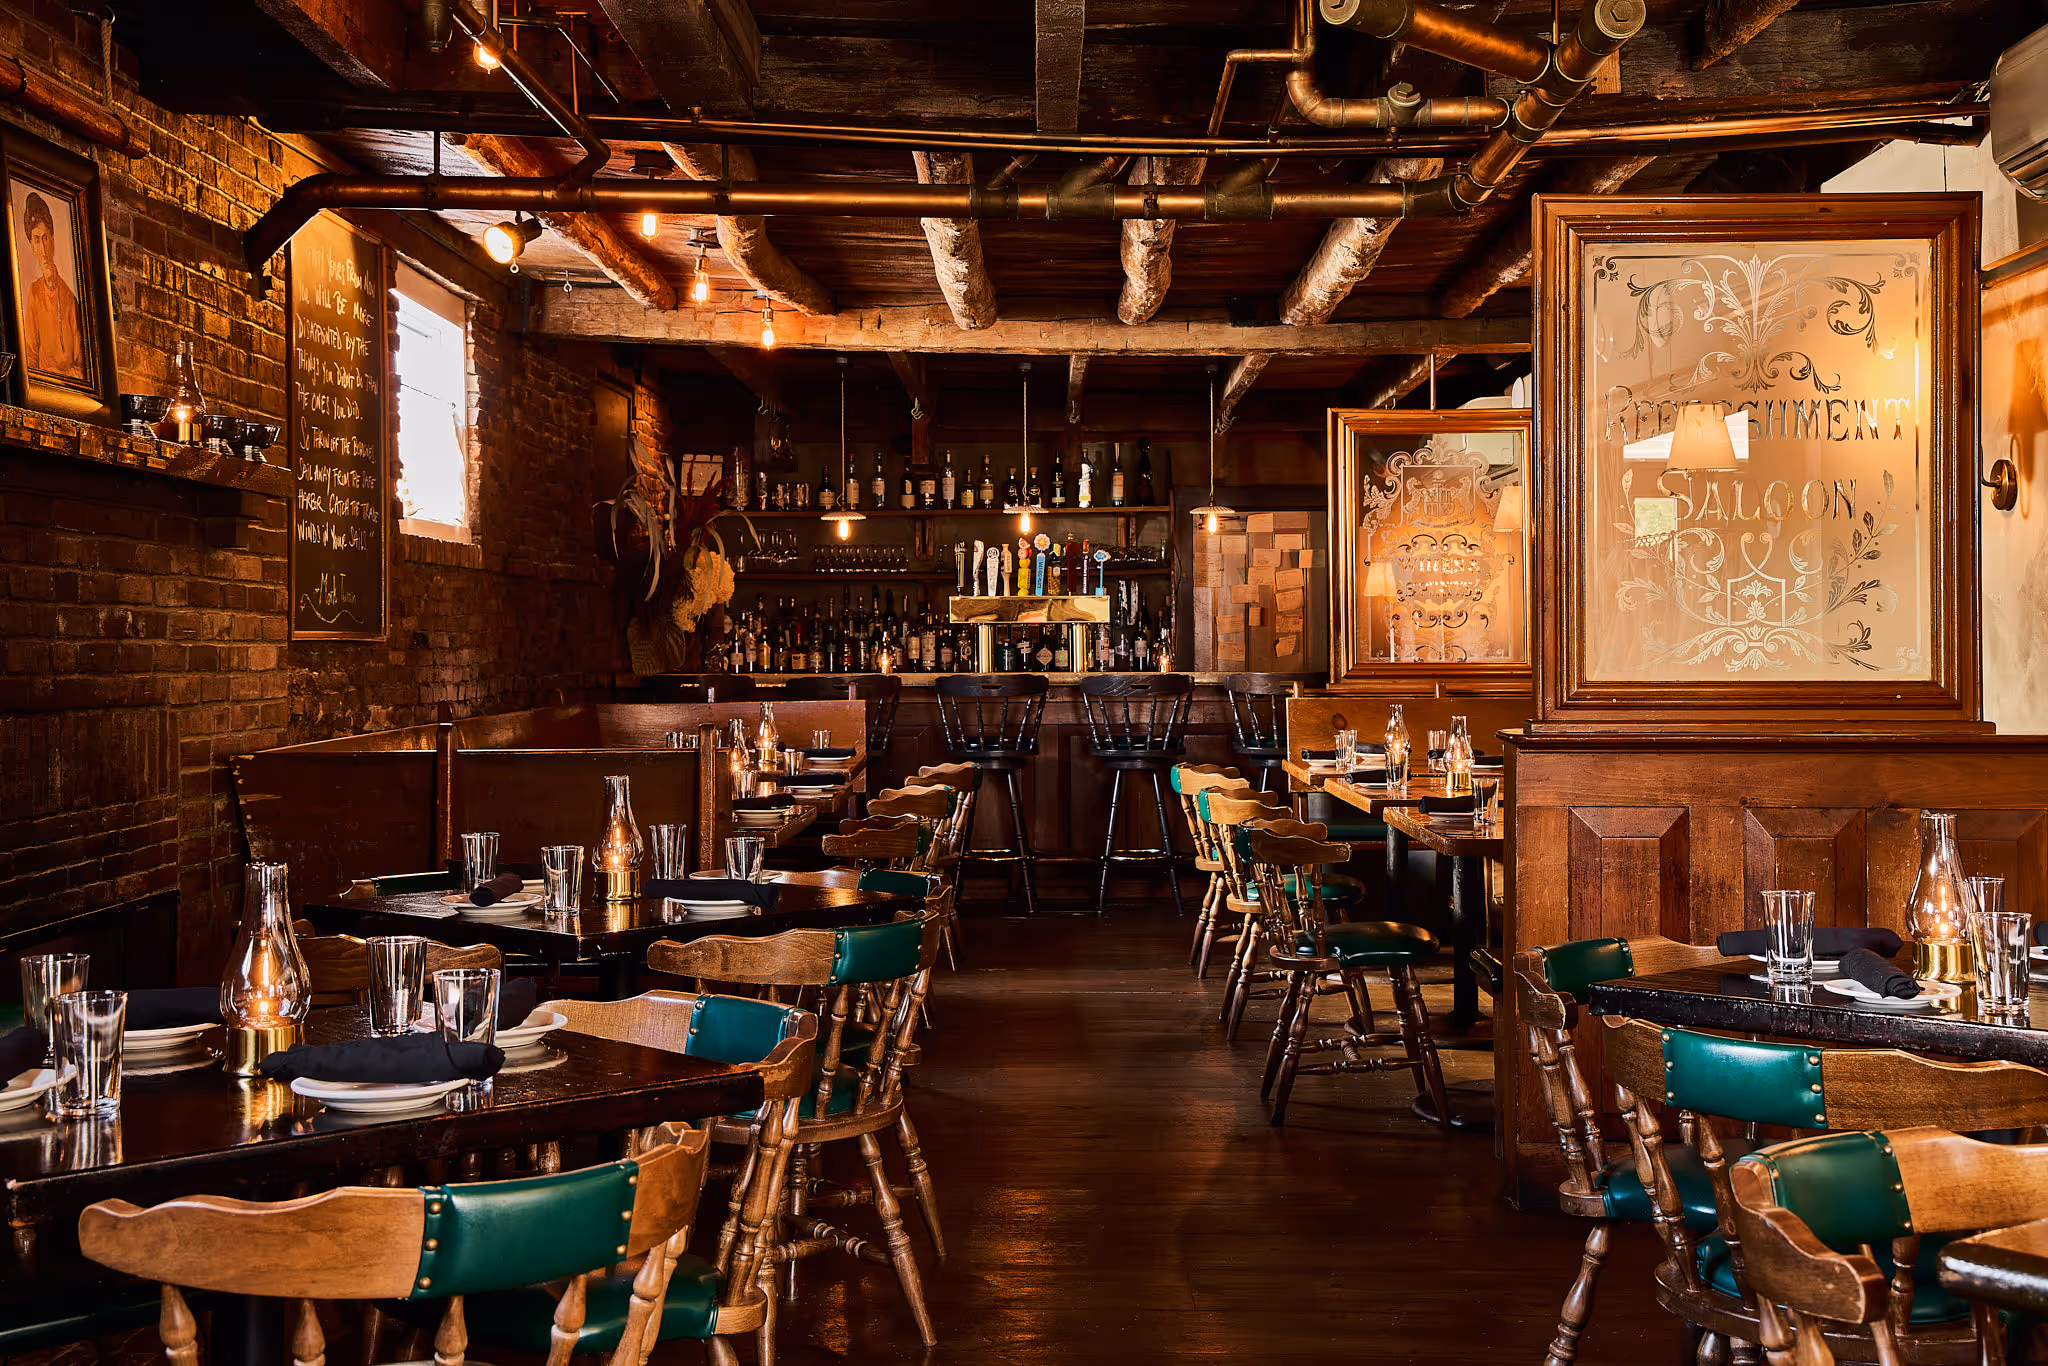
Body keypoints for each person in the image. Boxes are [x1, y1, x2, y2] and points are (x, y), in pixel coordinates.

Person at [20, 191, 82, 380]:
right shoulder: (34, 293)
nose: (43, 249)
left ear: (53, 242)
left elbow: (81, 366)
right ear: (32, 246)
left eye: (45, 238)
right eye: (37, 240)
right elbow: (30, 356)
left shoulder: (70, 299)